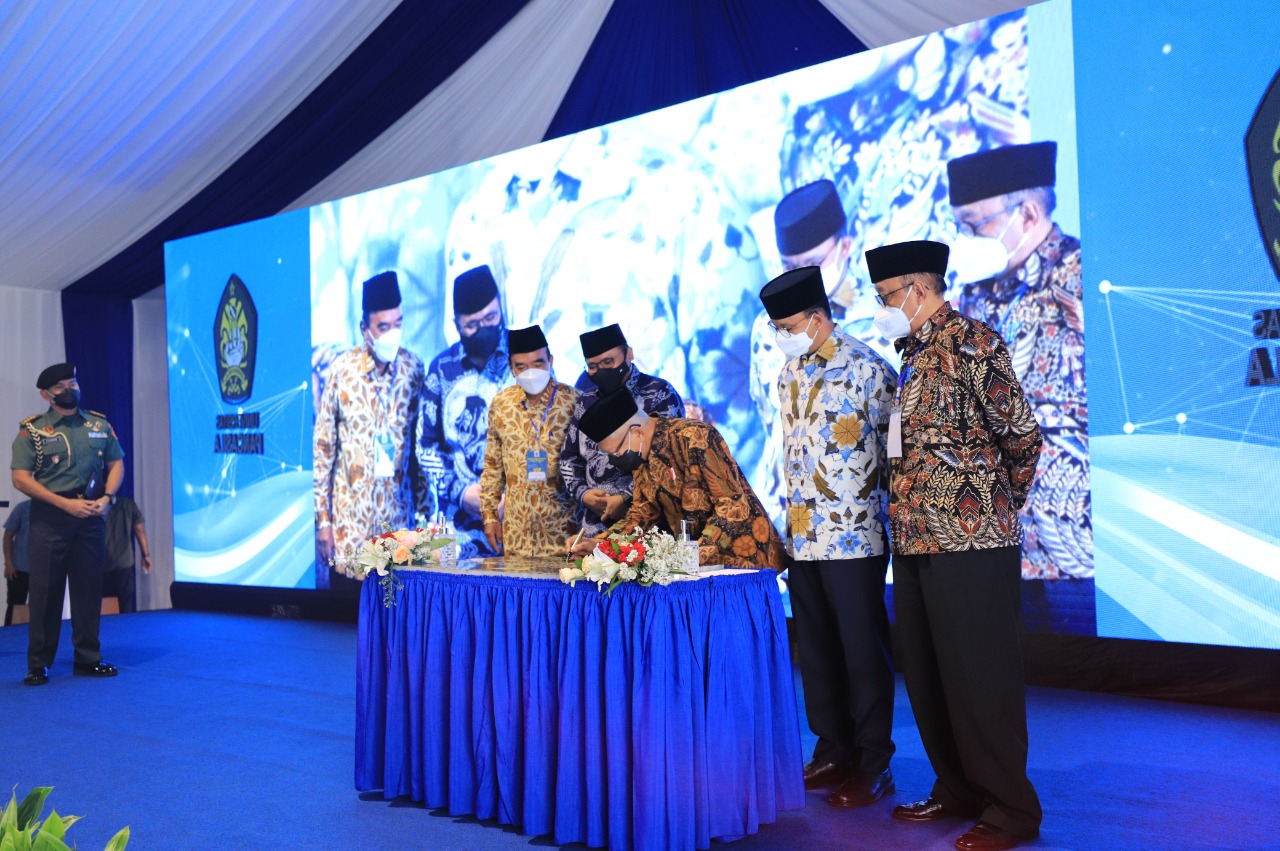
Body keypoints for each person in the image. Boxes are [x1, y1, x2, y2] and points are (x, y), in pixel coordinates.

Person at [866, 240, 1043, 851]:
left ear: (919, 287)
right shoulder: (912, 355)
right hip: (916, 540)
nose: (881, 307)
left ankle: (1011, 808)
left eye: (887, 296)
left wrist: (990, 507)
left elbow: (1021, 436)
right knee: (929, 670)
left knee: (980, 675)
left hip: (973, 542)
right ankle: (958, 786)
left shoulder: (974, 342)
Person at [758, 266, 898, 808]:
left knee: (862, 651)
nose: (780, 336)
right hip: (802, 536)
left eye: (787, 325)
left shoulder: (869, 369)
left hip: (855, 537)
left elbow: (897, 458)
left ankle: (872, 761)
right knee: (815, 651)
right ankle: (832, 747)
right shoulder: (787, 374)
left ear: (818, 318)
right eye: (775, 328)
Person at [947, 141, 1090, 583]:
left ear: (1027, 214)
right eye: (959, 227)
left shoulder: (1082, 275)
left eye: (974, 226)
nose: (964, 241)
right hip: (991, 548)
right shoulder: (970, 296)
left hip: (1075, 552)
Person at [750, 180, 893, 528]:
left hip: (860, 513)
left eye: (812, 264)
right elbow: (769, 416)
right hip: (787, 508)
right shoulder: (766, 327)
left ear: (845, 247)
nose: (798, 277)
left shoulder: (883, 313)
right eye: (789, 266)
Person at [572, 390, 786, 569]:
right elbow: (641, 516)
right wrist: (599, 544)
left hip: (746, 560)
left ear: (636, 433)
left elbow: (731, 504)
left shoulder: (695, 437)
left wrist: (695, 554)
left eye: (615, 453)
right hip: (698, 567)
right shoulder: (642, 459)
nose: (613, 461)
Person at [10, 363, 124, 685]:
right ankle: (38, 664)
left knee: (89, 589)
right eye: (60, 386)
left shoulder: (99, 424)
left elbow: (116, 464)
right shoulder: (33, 430)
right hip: (51, 517)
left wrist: (108, 498)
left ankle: (88, 658)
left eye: (72, 381)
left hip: (90, 516)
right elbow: (20, 478)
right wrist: (64, 504)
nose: (69, 389)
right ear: (46, 394)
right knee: (46, 592)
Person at [315, 271, 426, 587]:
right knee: (344, 633)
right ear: (365, 329)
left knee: (398, 633)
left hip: (400, 537)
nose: (393, 333)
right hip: (351, 534)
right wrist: (323, 522)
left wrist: (425, 524)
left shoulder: (414, 370)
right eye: (383, 327)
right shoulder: (342, 371)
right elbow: (324, 449)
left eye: (398, 324)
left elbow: (419, 454)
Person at [417, 265, 512, 558]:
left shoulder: (527, 357)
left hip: (519, 523)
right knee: (453, 601)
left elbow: (549, 436)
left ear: (501, 308)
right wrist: (460, 492)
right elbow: (426, 447)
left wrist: (518, 495)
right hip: (456, 528)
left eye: (491, 318)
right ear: (456, 323)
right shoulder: (441, 369)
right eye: (472, 324)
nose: (483, 329)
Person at [561, 323, 684, 538]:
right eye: (592, 366)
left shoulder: (658, 392)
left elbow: (669, 459)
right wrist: (584, 494)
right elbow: (569, 457)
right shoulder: (586, 401)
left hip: (648, 528)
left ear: (629, 354)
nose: (601, 370)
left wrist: (626, 498)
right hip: (594, 527)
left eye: (608, 362)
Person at [480, 325, 578, 556]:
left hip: (565, 536)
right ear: (511, 368)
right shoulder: (501, 404)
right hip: (517, 536)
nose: (531, 372)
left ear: (550, 360)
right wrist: (490, 515)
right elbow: (493, 466)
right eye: (521, 367)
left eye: (538, 363)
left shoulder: (574, 401)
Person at [102, 494, 151, 613]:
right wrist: (146, 555)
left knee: (100, 607)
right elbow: (139, 531)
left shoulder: (97, 505)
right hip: (124, 563)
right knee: (125, 608)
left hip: (101, 562)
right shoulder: (129, 504)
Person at [3, 499, 32, 626]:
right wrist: (8, 563)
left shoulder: (55, 510)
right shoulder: (22, 508)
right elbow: (8, 536)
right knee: (14, 605)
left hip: (44, 571)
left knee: (42, 608)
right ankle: (7, 639)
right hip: (19, 568)